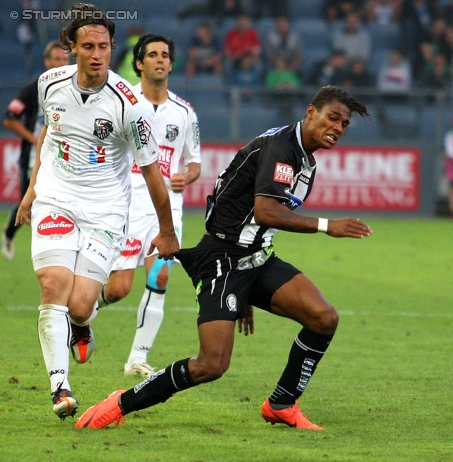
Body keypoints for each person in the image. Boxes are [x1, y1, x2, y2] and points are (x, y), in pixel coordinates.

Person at [75, 85, 373, 431]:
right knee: (211, 365)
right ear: (311, 112)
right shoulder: (282, 148)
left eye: (344, 124)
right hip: (222, 260)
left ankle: (282, 403)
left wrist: (245, 296)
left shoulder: (303, 158)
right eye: (331, 117)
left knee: (323, 318)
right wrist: (327, 225)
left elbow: (249, 214)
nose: (336, 127)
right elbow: (265, 212)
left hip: (256, 258)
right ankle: (120, 402)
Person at [15, 3, 179, 420]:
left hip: (106, 211)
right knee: (54, 287)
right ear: (72, 47)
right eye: (87, 46)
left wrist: (167, 231)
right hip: (56, 197)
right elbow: (51, 133)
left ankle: (83, 324)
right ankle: (60, 388)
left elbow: (154, 176)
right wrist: (33, 191)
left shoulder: (128, 106)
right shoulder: (49, 83)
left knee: (81, 304)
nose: (97, 54)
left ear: (111, 48)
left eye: (104, 46)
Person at [97, 34, 201, 377]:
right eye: (152, 55)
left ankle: (136, 359)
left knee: (160, 277)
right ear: (139, 63)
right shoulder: (123, 103)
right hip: (127, 204)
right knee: (118, 289)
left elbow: (194, 161)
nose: (160, 60)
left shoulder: (185, 112)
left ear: (171, 64)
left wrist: (187, 175)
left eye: (165, 55)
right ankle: (81, 314)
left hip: (166, 208)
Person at [2, 41, 69, 261]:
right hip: (32, 157)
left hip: (63, 158)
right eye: (56, 59)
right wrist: (36, 140)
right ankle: (10, 233)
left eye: (65, 60)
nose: (61, 64)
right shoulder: (34, 89)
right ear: (47, 62)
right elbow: (10, 119)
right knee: (27, 203)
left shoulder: (74, 90)